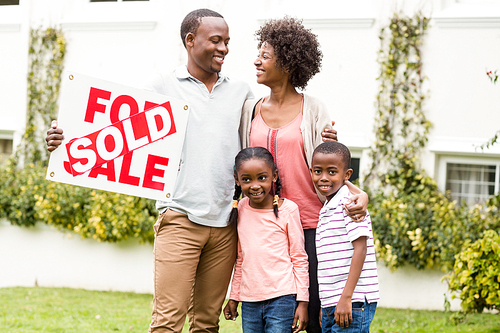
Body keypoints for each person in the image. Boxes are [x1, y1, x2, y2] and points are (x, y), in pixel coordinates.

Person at [47, 8, 253, 332]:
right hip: (180, 220)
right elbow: (116, 129)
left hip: (225, 224)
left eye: (227, 42)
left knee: (206, 324)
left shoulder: (241, 92)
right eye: (216, 40)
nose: (224, 48)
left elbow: (265, 139)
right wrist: (65, 138)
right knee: (167, 323)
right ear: (190, 40)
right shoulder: (162, 85)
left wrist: (321, 140)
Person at [239, 16, 369, 333]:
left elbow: (330, 168)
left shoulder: (314, 110)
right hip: (265, 228)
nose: (256, 60)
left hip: (311, 226)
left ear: (287, 63)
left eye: (265, 55)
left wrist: (358, 193)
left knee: (310, 313)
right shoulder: (249, 109)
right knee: (272, 314)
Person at [223, 147, 309, 332]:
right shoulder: (241, 209)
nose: (255, 185)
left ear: (274, 176)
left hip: (282, 298)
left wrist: (303, 302)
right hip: (249, 301)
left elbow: (299, 257)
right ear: (237, 180)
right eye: (246, 179)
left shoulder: (288, 210)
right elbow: (241, 258)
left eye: (262, 177)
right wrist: (234, 297)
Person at [310, 141, 379, 333]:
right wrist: (328, 305)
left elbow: (361, 249)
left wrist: (346, 297)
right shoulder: (328, 207)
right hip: (334, 301)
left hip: (353, 300)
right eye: (318, 171)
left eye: (332, 172)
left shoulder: (351, 205)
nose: (323, 178)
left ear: (346, 175)